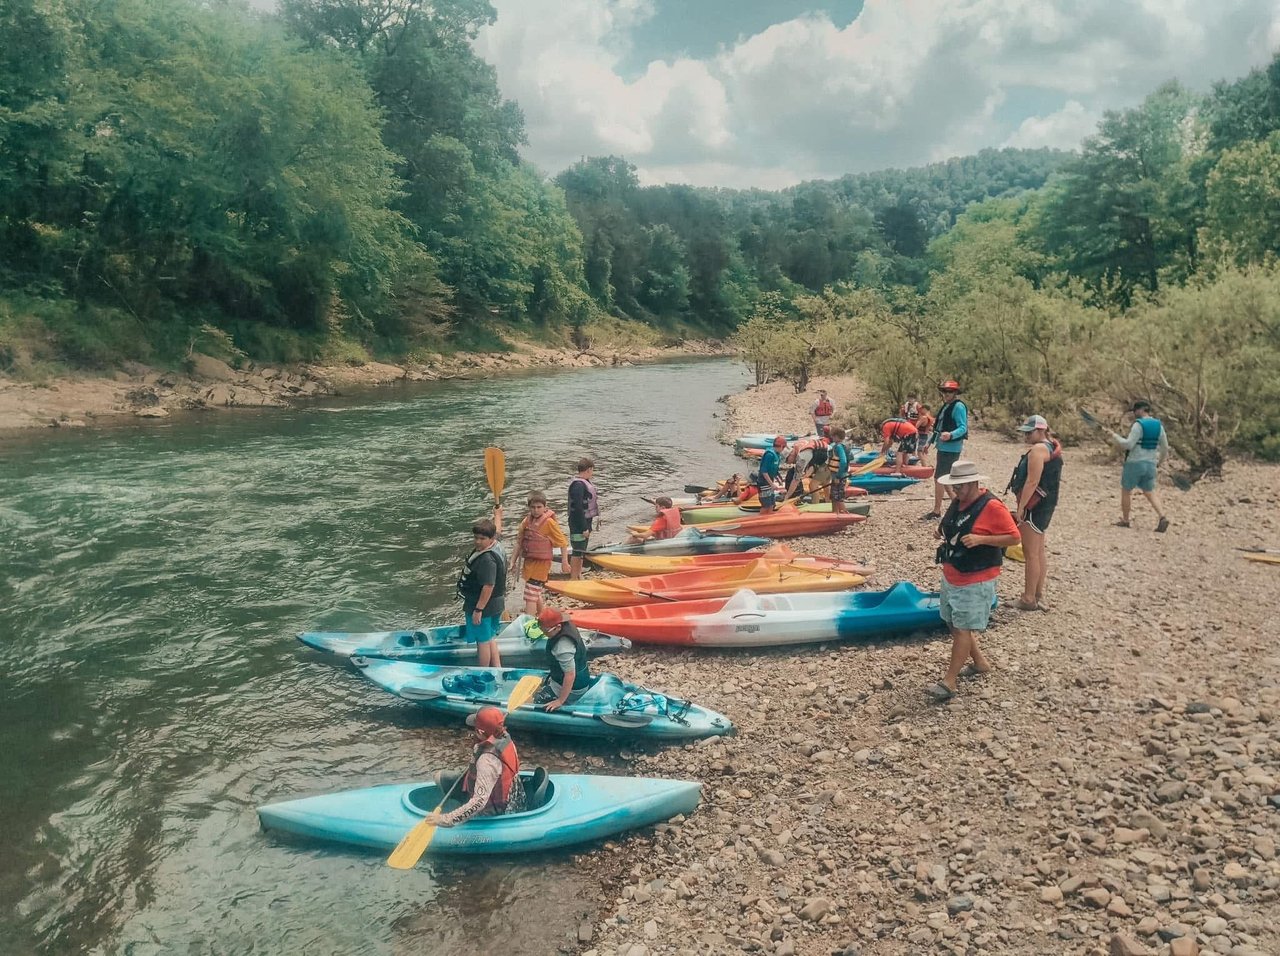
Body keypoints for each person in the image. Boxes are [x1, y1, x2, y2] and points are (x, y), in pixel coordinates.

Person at [926, 461, 1021, 700]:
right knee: (953, 622)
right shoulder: (959, 502)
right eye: (954, 487)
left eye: (959, 487)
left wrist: (981, 540)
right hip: (953, 572)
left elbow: (1013, 537)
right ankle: (979, 662)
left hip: (976, 577)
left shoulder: (992, 507)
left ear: (973, 483)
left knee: (962, 629)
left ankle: (950, 681)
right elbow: (953, 526)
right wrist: (941, 532)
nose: (955, 491)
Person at [427, 705, 526, 827]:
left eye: (474, 728)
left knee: (474, 803)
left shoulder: (487, 761)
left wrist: (445, 820)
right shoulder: (503, 736)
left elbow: (478, 802)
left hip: (492, 810)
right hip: (503, 793)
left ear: (480, 732)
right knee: (439, 777)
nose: (472, 730)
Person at [1008, 415, 1063, 611]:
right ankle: (1038, 594)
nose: (1026, 436)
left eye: (1029, 432)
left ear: (1041, 430)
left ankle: (1028, 598)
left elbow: (1032, 481)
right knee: (1039, 551)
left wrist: (1022, 507)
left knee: (1030, 553)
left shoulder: (1038, 450)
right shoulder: (1051, 447)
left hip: (1034, 507)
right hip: (1046, 506)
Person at [1109, 401, 1170, 532]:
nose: (1134, 413)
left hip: (1135, 462)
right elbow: (1165, 447)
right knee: (1149, 491)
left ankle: (1125, 520)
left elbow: (1128, 444)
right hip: (1151, 463)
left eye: (1135, 411)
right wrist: (1160, 462)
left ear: (1141, 410)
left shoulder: (1138, 425)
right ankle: (1162, 516)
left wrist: (1114, 436)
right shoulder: (1159, 425)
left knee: (1126, 490)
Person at [457, 513, 507, 667]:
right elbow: (498, 530)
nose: (478, 542)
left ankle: (483, 671)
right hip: (496, 603)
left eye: (482, 539)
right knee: (490, 636)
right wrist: (498, 513)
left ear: (490, 539)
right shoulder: (496, 544)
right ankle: (497, 668)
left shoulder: (487, 560)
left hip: (484, 606)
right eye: (476, 538)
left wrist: (478, 610)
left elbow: (488, 586)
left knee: (482, 641)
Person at [508, 492, 571, 616]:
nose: (536, 510)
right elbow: (519, 542)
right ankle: (542, 614)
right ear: (529, 508)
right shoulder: (526, 522)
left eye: (539, 507)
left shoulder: (549, 523)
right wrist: (512, 561)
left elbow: (563, 543)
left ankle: (529, 621)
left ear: (545, 507)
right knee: (534, 591)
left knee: (530, 596)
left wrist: (565, 562)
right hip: (529, 563)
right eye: (533, 507)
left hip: (542, 564)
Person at [528, 607, 593, 711]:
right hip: (565, 678)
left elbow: (570, 675)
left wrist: (560, 701)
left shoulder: (563, 647)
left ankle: (566, 702)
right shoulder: (564, 623)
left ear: (558, 627)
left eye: (545, 631)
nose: (544, 634)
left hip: (574, 688)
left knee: (534, 701)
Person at [923, 380, 969, 520]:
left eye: (949, 392)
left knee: (939, 479)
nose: (946, 394)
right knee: (946, 479)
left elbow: (963, 427)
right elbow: (939, 427)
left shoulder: (959, 407)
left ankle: (937, 511)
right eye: (944, 391)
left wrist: (951, 435)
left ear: (955, 393)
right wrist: (930, 442)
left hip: (951, 448)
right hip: (943, 447)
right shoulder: (946, 406)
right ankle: (960, 507)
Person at [567, 458, 599, 580]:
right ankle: (574, 577)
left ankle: (579, 574)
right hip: (578, 524)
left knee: (582, 550)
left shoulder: (584, 483)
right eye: (592, 470)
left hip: (586, 522)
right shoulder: (578, 485)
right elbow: (578, 508)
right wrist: (584, 528)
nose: (593, 473)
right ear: (589, 469)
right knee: (577, 551)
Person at [755, 435, 786, 514]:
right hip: (763, 483)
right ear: (782, 446)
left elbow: (774, 470)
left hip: (769, 482)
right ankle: (761, 520)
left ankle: (769, 517)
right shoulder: (769, 455)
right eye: (784, 447)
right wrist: (772, 484)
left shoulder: (777, 454)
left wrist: (779, 479)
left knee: (772, 504)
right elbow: (764, 471)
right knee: (766, 505)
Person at [827, 426, 851, 514]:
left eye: (833, 436)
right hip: (839, 475)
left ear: (836, 436)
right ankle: (835, 513)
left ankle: (845, 514)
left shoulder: (839, 447)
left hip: (839, 476)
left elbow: (844, 461)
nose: (832, 438)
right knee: (834, 497)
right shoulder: (845, 445)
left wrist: (838, 476)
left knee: (838, 498)